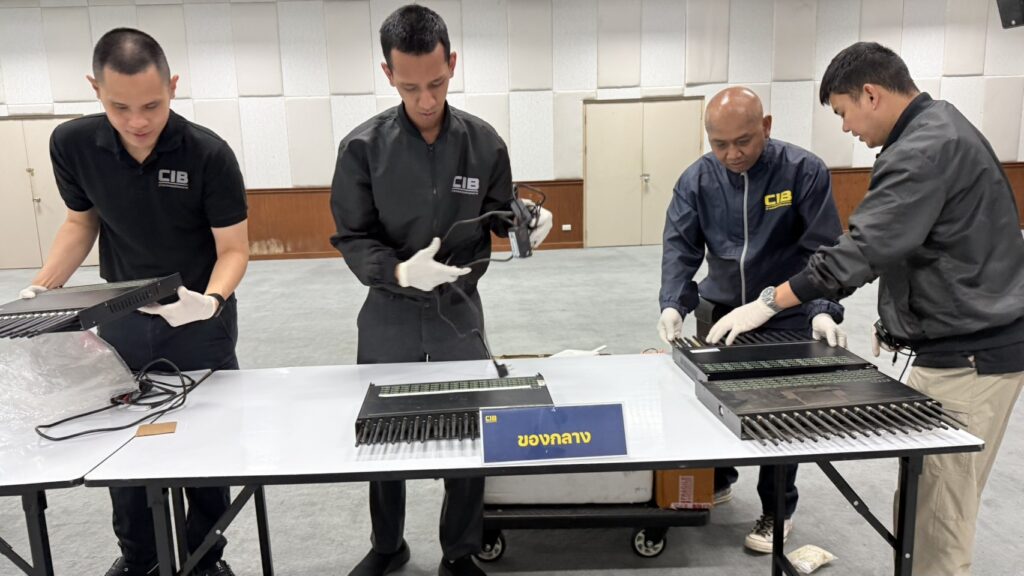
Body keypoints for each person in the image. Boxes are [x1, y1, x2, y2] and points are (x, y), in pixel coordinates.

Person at [707, 42, 1024, 576]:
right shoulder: (939, 127)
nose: (846, 127)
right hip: (957, 347)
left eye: (843, 112)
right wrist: (899, 318)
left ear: (871, 94)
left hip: (969, 359)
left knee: (936, 518)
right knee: (923, 503)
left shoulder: (923, 149)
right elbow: (921, 244)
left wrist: (769, 302)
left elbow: (864, 249)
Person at [329, 6, 552, 576]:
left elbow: (500, 214)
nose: (426, 100)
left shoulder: (484, 143)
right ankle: (388, 545)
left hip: (458, 307)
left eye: (436, 83)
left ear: (452, 63)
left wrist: (525, 221)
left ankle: (460, 551)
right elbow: (352, 237)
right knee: (381, 431)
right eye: (410, 87)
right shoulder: (362, 149)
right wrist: (400, 272)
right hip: (389, 309)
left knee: (472, 427)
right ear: (388, 74)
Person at [19, 28, 248, 576]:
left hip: (197, 319)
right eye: (119, 107)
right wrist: (43, 288)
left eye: (152, 105)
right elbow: (81, 223)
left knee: (209, 448)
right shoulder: (72, 144)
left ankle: (205, 557)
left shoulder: (208, 153)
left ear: (173, 86)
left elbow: (234, 249)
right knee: (122, 444)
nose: (138, 121)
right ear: (95, 89)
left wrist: (211, 302)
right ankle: (139, 558)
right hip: (119, 321)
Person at [658, 86, 846, 553]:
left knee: (780, 417)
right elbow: (681, 247)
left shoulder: (803, 171)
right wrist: (673, 303)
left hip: (784, 311)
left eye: (743, 141)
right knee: (715, 401)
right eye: (719, 144)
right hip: (721, 313)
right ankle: (720, 478)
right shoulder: (697, 180)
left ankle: (777, 510)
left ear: (766, 126)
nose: (732, 154)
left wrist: (821, 310)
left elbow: (823, 250)